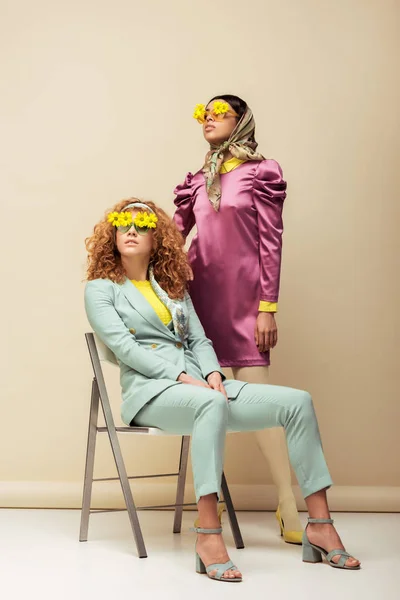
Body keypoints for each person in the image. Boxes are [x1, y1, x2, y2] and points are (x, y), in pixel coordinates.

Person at [84, 200, 360, 582]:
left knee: (298, 402)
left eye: (142, 225)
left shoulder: (173, 289)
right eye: (122, 225)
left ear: (157, 238)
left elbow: (198, 338)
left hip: (204, 388)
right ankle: (209, 533)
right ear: (112, 236)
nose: (130, 231)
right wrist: (182, 377)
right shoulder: (101, 289)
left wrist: (213, 372)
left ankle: (320, 524)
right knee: (211, 405)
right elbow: (125, 349)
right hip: (151, 393)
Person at [173, 94, 302, 542]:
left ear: (241, 120)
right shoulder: (196, 181)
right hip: (200, 301)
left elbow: (272, 243)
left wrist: (268, 306)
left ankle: (287, 503)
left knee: (261, 404)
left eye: (218, 112)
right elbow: (174, 237)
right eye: (203, 113)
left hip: (246, 303)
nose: (207, 119)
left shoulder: (261, 174)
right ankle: (207, 507)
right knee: (204, 406)